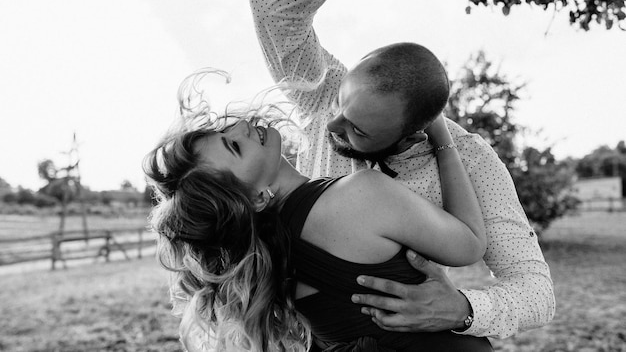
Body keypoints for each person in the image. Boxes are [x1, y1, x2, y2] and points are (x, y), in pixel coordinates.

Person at [250, 0, 555, 339]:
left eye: (357, 130)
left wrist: (464, 309)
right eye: (342, 105)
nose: (331, 127)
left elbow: (537, 292)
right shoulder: (325, 91)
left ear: (410, 136)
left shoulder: (471, 160)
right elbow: (271, 8)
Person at [145, 85, 493, 351]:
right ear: (253, 198)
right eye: (234, 147)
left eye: (225, 133)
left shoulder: (271, 251)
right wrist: (442, 136)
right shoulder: (358, 194)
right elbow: (470, 245)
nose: (240, 128)